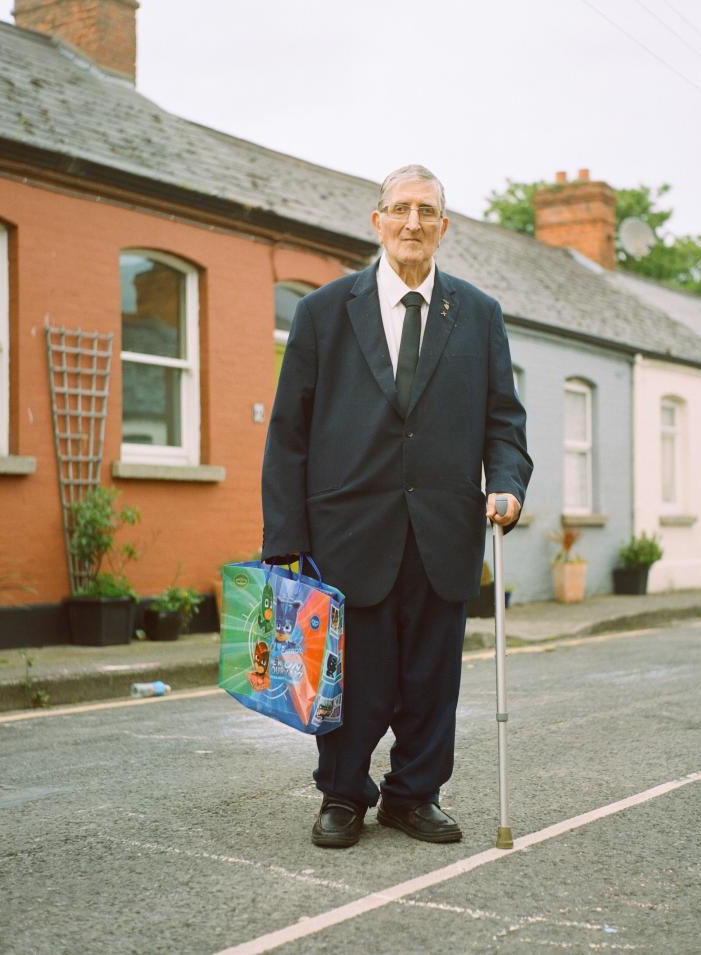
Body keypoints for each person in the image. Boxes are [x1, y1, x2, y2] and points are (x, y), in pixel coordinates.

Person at [261, 164, 532, 848]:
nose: (414, 222)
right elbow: (289, 431)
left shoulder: (478, 314)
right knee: (351, 681)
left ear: (444, 227)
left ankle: (414, 794)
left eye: (428, 211)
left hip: (444, 530)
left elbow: (504, 420)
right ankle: (343, 795)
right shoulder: (323, 311)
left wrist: (507, 481)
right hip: (348, 530)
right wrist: (284, 539)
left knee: (431, 680)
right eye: (401, 209)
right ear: (377, 219)